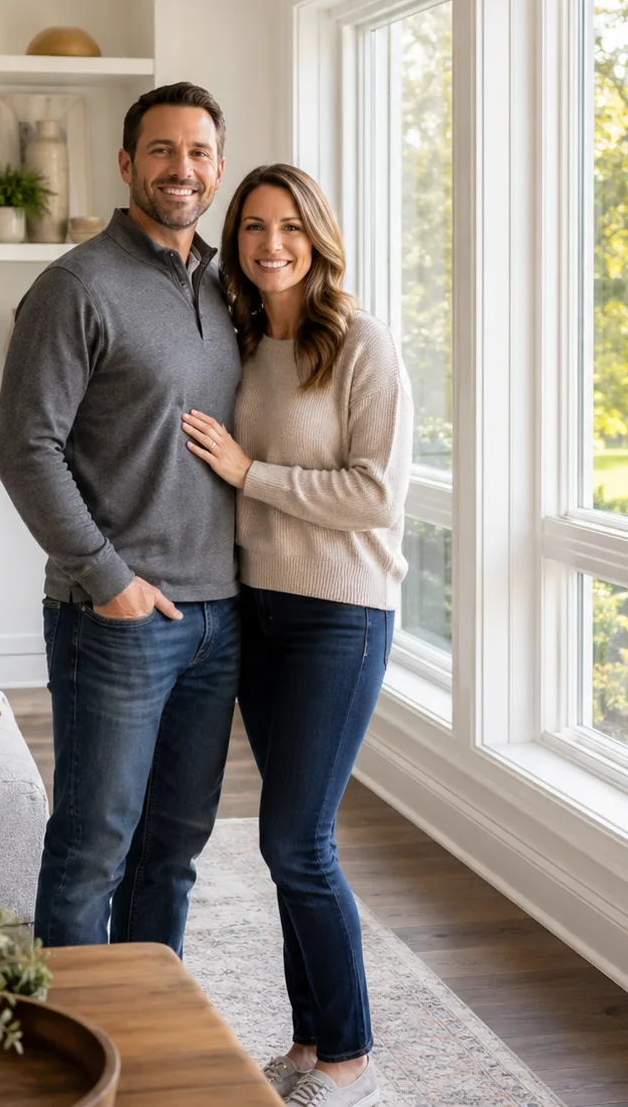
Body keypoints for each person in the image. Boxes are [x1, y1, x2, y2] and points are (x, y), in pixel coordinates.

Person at [182, 163, 411, 1107]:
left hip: (340, 615)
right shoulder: (239, 342)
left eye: (289, 228)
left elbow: (376, 494)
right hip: (257, 612)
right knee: (291, 842)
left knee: (297, 841)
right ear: (234, 243)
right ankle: (310, 1044)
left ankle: (352, 1059)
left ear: (317, 237)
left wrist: (252, 472)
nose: (270, 244)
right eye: (252, 229)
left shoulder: (360, 346)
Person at [0, 81, 241, 954]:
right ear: (128, 163)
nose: (183, 169)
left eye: (200, 152)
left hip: (219, 617)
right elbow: (25, 449)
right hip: (116, 617)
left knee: (173, 849)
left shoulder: (230, 288)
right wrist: (110, 581)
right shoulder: (76, 286)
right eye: (164, 151)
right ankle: (76, 1056)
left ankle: (148, 1030)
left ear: (218, 167)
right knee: (94, 847)